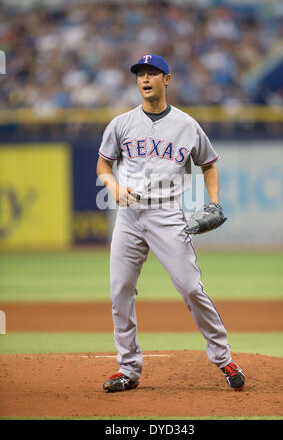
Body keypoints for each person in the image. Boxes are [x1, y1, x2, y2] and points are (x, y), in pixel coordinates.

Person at [96, 54, 245, 393]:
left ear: (167, 79)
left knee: (191, 288)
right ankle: (128, 369)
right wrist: (113, 186)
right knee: (120, 292)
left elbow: (209, 164)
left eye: (152, 73)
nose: (145, 79)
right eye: (140, 74)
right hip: (129, 217)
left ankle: (225, 359)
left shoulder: (186, 125)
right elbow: (103, 166)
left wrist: (214, 202)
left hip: (166, 215)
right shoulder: (120, 124)